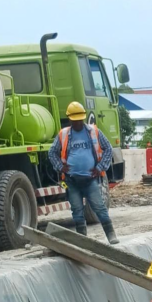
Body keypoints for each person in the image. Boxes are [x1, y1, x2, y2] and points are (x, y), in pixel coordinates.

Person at [47, 101, 118, 243]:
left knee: (99, 207)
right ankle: (83, 239)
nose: (78, 123)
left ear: (83, 118)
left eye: (80, 120)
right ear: (70, 120)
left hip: (90, 179)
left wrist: (100, 168)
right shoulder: (64, 134)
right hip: (71, 180)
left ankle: (111, 235)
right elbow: (52, 152)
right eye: (75, 120)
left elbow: (108, 149)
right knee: (77, 210)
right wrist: (60, 167)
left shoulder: (93, 131)